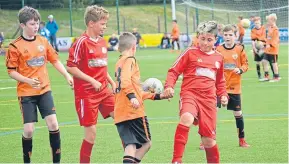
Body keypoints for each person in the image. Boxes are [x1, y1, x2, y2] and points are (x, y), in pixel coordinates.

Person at [5, 6, 73, 163]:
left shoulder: (43, 41)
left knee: (53, 124)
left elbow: (55, 60)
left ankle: (57, 161)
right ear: (22, 25)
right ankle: (26, 161)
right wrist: (28, 81)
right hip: (26, 94)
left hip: (44, 91)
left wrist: (66, 75)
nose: (36, 27)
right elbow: (11, 71)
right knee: (28, 130)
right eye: (31, 24)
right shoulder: (15, 46)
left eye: (37, 23)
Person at [163, 21, 228, 163]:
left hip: (209, 101)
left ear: (216, 40)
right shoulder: (190, 52)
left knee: (208, 141)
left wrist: (223, 95)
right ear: (198, 37)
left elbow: (220, 81)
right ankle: (176, 160)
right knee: (186, 117)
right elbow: (174, 71)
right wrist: (169, 86)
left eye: (209, 40)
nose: (205, 43)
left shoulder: (219, 58)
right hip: (190, 94)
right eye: (202, 39)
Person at [66, 5, 116, 163]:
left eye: (105, 23)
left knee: (122, 120)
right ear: (91, 23)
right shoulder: (81, 42)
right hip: (86, 94)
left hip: (104, 91)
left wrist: (111, 81)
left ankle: (131, 159)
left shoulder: (102, 42)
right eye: (102, 24)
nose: (105, 27)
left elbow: (100, 66)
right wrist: (92, 81)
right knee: (91, 134)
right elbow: (70, 67)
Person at [114, 32, 169, 163]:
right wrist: (132, 97)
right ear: (134, 47)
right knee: (146, 143)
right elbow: (126, 81)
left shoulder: (119, 62)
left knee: (131, 145)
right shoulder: (130, 60)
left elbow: (135, 89)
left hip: (120, 111)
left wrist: (158, 96)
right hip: (133, 111)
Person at [216, 24, 250, 147]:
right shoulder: (218, 50)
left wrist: (240, 70)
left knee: (238, 113)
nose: (228, 37)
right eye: (225, 35)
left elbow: (246, 64)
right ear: (222, 36)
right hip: (219, 88)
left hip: (234, 87)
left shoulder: (239, 49)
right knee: (212, 113)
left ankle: (242, 140)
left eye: (230, 34)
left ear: (235, 36)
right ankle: (206, 140)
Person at [262, 13, 281, 82]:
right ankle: (266, 76)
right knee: (264, 61)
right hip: (267, 50)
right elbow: (268, 38)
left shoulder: (275, 29)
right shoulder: (270, 28)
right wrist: (264, 45)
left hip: (273, 50)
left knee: (274, 63)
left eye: (268, 20)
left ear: (273, 20)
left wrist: (270, 45)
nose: (267, 22)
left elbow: (275, 40)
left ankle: (276, 77)